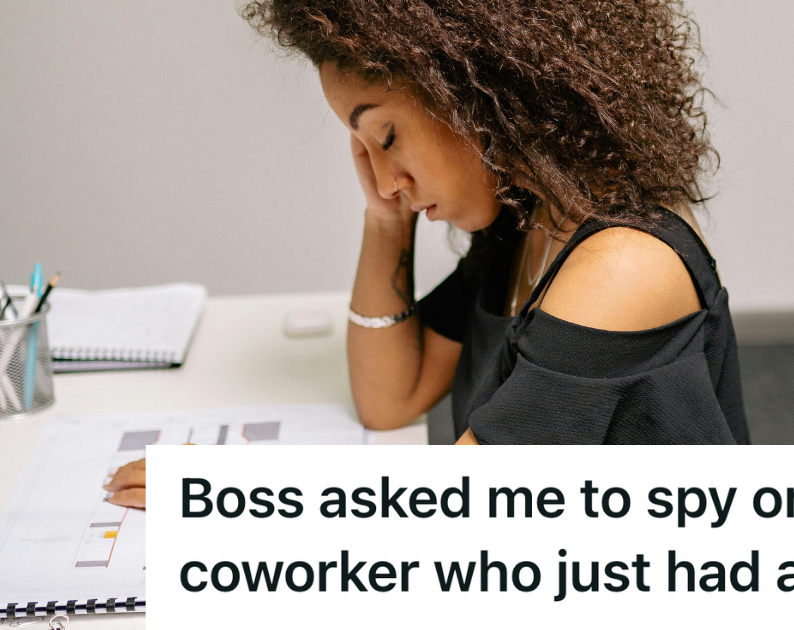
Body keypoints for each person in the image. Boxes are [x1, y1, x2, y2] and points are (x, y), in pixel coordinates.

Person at [104, 0, 748, 508]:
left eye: (386, 135)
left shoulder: (624, 266)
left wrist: (229, 493)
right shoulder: (529, 221)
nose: (386, 177)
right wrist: (386, 219)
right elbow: (392, 396)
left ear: (481, 89)